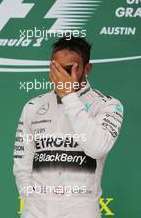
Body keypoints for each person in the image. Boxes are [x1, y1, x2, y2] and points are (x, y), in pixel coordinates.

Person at [13, 36, 124, 218]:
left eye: (68, 69)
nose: (61, 75)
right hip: (36, 213)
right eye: (55, 67)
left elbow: (97, 148)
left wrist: (69, 96)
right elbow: (22, 164)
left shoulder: (107, 105)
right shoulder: (33, 106)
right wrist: (32, 202)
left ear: (87, 69)